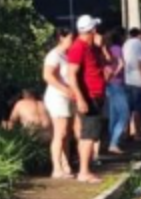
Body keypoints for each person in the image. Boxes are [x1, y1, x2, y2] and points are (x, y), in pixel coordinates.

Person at [66, 14, 111, 183]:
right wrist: (81, 98)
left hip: (97, 94)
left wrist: (102, 47)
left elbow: (108, 61)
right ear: (91, 30)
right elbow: (71, 75)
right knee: (88, 135)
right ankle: (84, 171)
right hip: (88, 96)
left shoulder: (92, 47)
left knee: (92, 134)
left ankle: (86, 169)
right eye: (95, 29)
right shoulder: (78, 47)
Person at [43, 27, 76, 179]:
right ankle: (56, 167)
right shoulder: (54, 55)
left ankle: (65, 163)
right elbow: (47, 76)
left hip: (67, 96)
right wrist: (64, 89)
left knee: (67, 134)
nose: (72, 41)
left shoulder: (66, 55)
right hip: (57, 96)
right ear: (61, 38)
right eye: (70, 38)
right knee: (60, 132)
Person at [104, 28, 129, 155]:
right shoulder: (117, 48)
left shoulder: (106, 49)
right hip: (117, 84)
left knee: (113, 115)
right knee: (124, 114)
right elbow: (121, 64)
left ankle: (111, 141)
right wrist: (116, 73)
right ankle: (114, 142)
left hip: (109, 85)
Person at [123, 27, 141, 140]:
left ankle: (127, 132)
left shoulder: (126, 44)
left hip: (127, 78)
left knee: (128, 108)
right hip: (138, 80)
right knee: (138, 108)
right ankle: (138, 133)